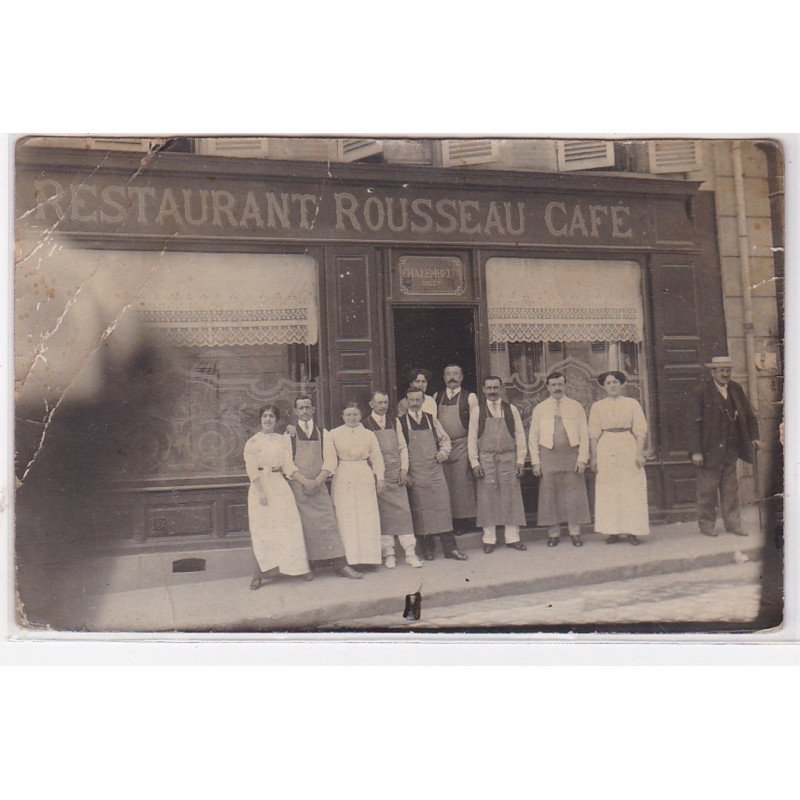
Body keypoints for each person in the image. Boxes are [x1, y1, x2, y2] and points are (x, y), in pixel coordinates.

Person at [287, 395, 362, 579]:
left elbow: (330, 461)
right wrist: (305, 482)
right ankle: (306, 567)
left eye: (308, 407)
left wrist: (317, 481)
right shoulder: (289, 434)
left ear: (313, 410)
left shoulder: (324, 433)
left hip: (319, 486)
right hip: (299, 487)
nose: (304, 411)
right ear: (296, 411)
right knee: (302, 527)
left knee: (328, 524)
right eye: (301, 408)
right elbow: (287, 463)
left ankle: (340, 565)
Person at [687, 356, 761, 537]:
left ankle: (734, 525)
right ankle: (707, 526)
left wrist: (754, 437)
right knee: (707, 491)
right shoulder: (702, 391)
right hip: (708, 451)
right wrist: (696, 451)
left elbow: (748, 414)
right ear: (713, 372)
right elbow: (693, 423)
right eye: (721, 370)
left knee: (730, 490)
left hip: (731, 448)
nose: (725, 374)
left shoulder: (736, 388)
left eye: (728, 370)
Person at [243, 405, 311, 590]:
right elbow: (251, 469)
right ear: (260, 419)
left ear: (277, 420)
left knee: (288, 526)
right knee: (263, 530)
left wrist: (304, 480)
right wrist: (261, 492)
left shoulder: (283, 440)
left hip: (279, 485)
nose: (268, 419)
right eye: (264, 416)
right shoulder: (253, 442)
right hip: (260, 487)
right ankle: (259, 574)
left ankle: (296, 568)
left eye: (272, 416)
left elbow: (288, 465)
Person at [399, 386, 468, 561]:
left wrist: (443, 453)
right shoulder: (399, 422)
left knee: (443, 508)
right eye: (411, 400)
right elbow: (399, 449)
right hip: (415, 472)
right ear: (406, 402)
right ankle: (427, 549)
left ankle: (450, 549)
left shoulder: (432, 419)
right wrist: (405, 471)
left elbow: (445, 440)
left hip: (435, 470)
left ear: (423, 401)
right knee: (421, 510)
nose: (414, 403)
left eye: (418, 400)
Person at [528, 372, 591, 547]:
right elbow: (533, 436)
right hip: (548, 456)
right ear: (547, 387)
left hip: (571, 456)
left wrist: (582, 459)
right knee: (550, 495)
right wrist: (536, 461)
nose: (557, 388)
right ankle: (553, 533)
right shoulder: (540, 408)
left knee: (573, 495)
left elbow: (584, 435)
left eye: (560, 384)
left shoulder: (575, 406)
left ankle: (575, 532)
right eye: (553, 384)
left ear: (565, 386)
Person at [468, 376, 528, 554]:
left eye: (496, 388)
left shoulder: (511, 410)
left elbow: (520, 436)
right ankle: (489, 539)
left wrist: (520, 460)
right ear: (484, 390)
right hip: (486, 459)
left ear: (501, 388)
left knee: (510, 497)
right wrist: (474, 462)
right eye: (489, 388)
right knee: (487, 498)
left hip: (508, 458)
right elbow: (472, 439)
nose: (493, 391)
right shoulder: (478, 411)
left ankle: (513, 538)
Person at [588, 371, 649, 545]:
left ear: (621, 384)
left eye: (615, 382)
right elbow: (593, 433)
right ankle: (612, 531)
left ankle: (632, 531)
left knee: (631, 488)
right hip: (606, 446)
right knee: (609, 490)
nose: (612, 385)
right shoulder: (597, 406)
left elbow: (640, 430)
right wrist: (594, 457)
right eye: (608, 383)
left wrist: (639, 453)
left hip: (627, 445)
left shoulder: (632, 403)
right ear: (604, 386)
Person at [364, 390, 423, 568]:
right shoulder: (365, 424)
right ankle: (389, 553)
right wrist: (376, 475)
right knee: (384, 516)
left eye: (385, 403)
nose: (383, 407)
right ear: (371, 404)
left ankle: (410, 553)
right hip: (378, 478)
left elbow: (403, 447)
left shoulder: (393, 421)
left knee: (403, 513)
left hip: (396, 476)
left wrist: (404, 469)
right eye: (379, 403)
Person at [329, 401, 386, 571]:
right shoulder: (334, 434)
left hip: (363, 475)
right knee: (346, 517)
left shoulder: (369, 434)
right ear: (343, 416)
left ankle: (369, 559)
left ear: (361, 416)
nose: (352, 418)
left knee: (366, 516)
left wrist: (380, 477)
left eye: (355, 414)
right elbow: (330, 459)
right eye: (348, 414)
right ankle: (351, 559)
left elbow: (377, 457)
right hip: (343, 475)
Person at [434, 365, 478, 529]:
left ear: (461, 377)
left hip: (462, 445)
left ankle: (464, 521)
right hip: (443, 447)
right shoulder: (437, 396)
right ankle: (450, 522)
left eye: (455, 374)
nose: (452, 377)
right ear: (444, 377)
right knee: (447, 484)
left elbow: (474, 425)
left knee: (462, 484)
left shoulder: (469, 397)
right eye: (448, 374)